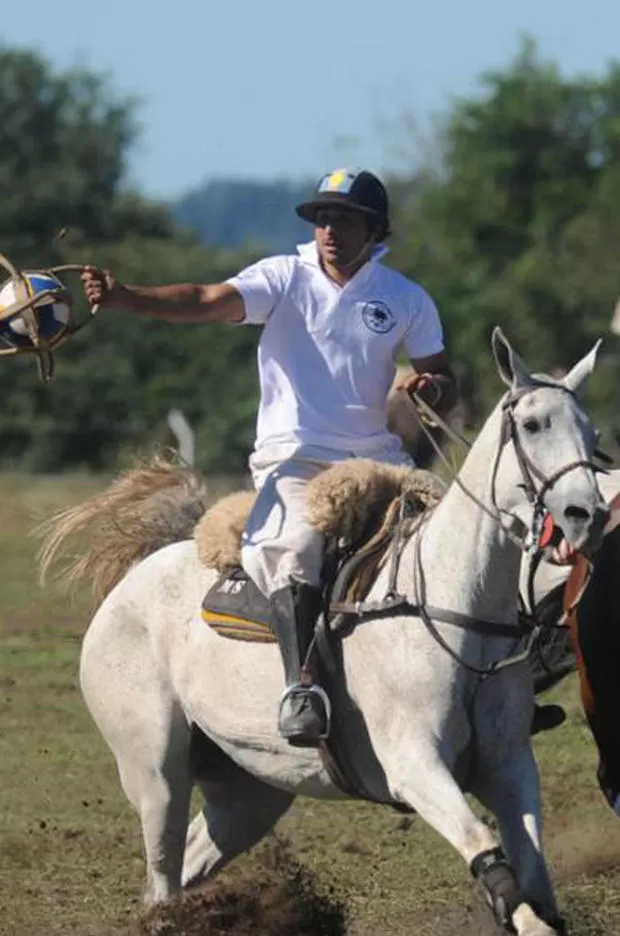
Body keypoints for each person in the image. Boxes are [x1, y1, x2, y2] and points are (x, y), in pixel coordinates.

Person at [81, 167, 456, 748]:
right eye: (323, 218)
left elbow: (439, 374)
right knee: (297, 548)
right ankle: (302, 686)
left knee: (455, 540)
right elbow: (206, 300)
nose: (330, 229)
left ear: (374, 229)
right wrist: (127, 297)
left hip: (378, 460)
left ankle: (485, 684)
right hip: (296, 459)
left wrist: (430, 389)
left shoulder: (406, 297)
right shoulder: (282, 277)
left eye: (345, 219)